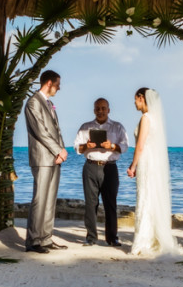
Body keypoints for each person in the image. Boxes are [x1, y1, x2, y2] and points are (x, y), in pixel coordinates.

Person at [127, 87, 180, 257]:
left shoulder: (146, 118)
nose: (134, 103)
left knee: (145, 198)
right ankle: (153, 237)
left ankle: (144, 240)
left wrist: (133, 166)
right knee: (152, 197)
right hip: (154, 163)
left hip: (146, 164)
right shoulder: (156, 118)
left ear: (141, 98)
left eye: (135, 99)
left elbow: (140, 145)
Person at [24, 70, 68, 254]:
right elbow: (41, 131)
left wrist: (62, 151)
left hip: (54, 158)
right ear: (49, 83)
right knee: (40, 199)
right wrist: (58, 149)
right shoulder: (33, 102)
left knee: (50, 200)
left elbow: (56, 131)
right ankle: (33, 240)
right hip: (42, 158)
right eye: (58, 84)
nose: (59, 87)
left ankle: (46, 238)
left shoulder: (49, 103)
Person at [74, 98, 129, 247]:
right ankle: (91, 238)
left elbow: (124, 147)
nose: (100, 111)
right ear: (94, 110)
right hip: (90, 167)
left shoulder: (118, 127)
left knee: (110, 203)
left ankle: (112, 238)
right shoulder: (86, 127)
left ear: (108, 110)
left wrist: (111, 146)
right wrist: (87, 146)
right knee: (90, 204)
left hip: (110, 167)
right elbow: (77, 148)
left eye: (103, 108)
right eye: (97, 108)